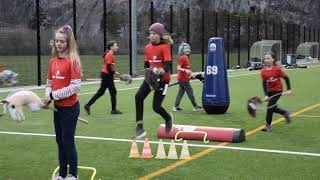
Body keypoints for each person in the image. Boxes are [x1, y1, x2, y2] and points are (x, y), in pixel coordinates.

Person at [44, 25, 82, 180]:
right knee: (60, 141)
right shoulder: (52, 61)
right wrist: (47, 96)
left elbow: (75, 86)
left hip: (70, 109)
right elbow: (48, 83)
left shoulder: (73, 61)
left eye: (62, 41)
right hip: (58, 109)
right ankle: (62, 175)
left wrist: (53, 95)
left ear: (69, 43)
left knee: (68, 141)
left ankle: (73, 174)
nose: (58, 44)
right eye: (56, 41)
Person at [134, 22, 173, 139]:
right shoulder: (147, 48)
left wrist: (158, 71)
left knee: (156, 107)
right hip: (151, 78)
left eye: (154, 33)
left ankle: (168, 118)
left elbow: (167, 67)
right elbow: (146, 65)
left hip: (163, 80)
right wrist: (149, 73)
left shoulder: (165, 47)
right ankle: (139, 127)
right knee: (138, 97)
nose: (152, 36)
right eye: (150, 33)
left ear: (160, 35)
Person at [84, 41, 122, 115]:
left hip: (106, 75)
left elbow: (110, 67)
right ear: (111, 47)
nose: (117, 47)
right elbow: (108, 67)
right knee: (113, 92)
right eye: (116, 46)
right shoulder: (109, 54)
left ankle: (88, 105)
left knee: (101, 92)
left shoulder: (110, 54)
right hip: (107, 75)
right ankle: (113, 110)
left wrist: (114, 73)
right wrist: (113, 73)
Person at [260, 51, 292, 132]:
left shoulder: (277, 69)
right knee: (273, 108)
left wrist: (289, 89)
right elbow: (264, 83)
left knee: (270, 107)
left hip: (278, 90)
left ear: (273, 59)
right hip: (270, 91)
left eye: (268, 58)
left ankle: (268, 126)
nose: (266, 60)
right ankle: (284, 112)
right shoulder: (263, 71)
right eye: (265, 58)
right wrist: (266, 95)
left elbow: (286, 78)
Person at [173, 42, 202, 112]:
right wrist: (185, 70)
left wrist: (190, 74)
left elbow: (187, 69)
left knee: (181, 92)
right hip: (183, 79)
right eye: (185, 48)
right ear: (182, 50)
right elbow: (178, 68)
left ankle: (176, 107)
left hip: (183, 78)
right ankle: (195, 106)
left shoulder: (186, 57)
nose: (187, 49)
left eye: (188, 48)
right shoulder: (183, 58)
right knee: (190, 92)